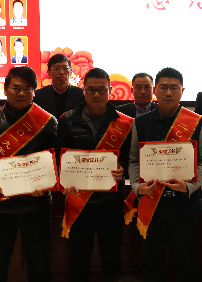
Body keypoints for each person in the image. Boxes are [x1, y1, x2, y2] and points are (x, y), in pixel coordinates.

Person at [0, 66, 58, 282]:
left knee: (39, 266)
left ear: (34, 92)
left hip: (37, 205)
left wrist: (46, 184)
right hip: (0, 206)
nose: (21, 93)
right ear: (5, 89)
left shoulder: (47, 122)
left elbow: (57, 161)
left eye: (28, 89)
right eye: (16, 88)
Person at [129, 67, 202, 282]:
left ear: (182, 91)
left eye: (174, 88)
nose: (168, 93)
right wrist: (137, 186)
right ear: (155, 90)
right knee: (151, 263)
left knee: (186, 263)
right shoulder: (140, 123)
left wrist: (190, 186)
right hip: (151, 201)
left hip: (184, 203)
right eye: (163, 87)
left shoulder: (198, 122)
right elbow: (134, 160)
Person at [58, 68, 133, 282]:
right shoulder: (67, 120)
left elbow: (131, 157)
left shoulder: (125, 123)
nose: (97, 94)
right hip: (78, 202)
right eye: (91, 90)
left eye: (102, 89)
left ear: (110, 91)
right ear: (84, 91)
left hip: (111, 203)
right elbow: (58, 156)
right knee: (78, 260)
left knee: (112, 259)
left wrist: (124, 169)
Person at [33, 54, 85, 118]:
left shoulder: (81, 94)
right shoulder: (38, 96)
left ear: (71, 72)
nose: (61, 72)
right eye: (56, 68)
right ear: (49, 72)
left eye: (65, 68)